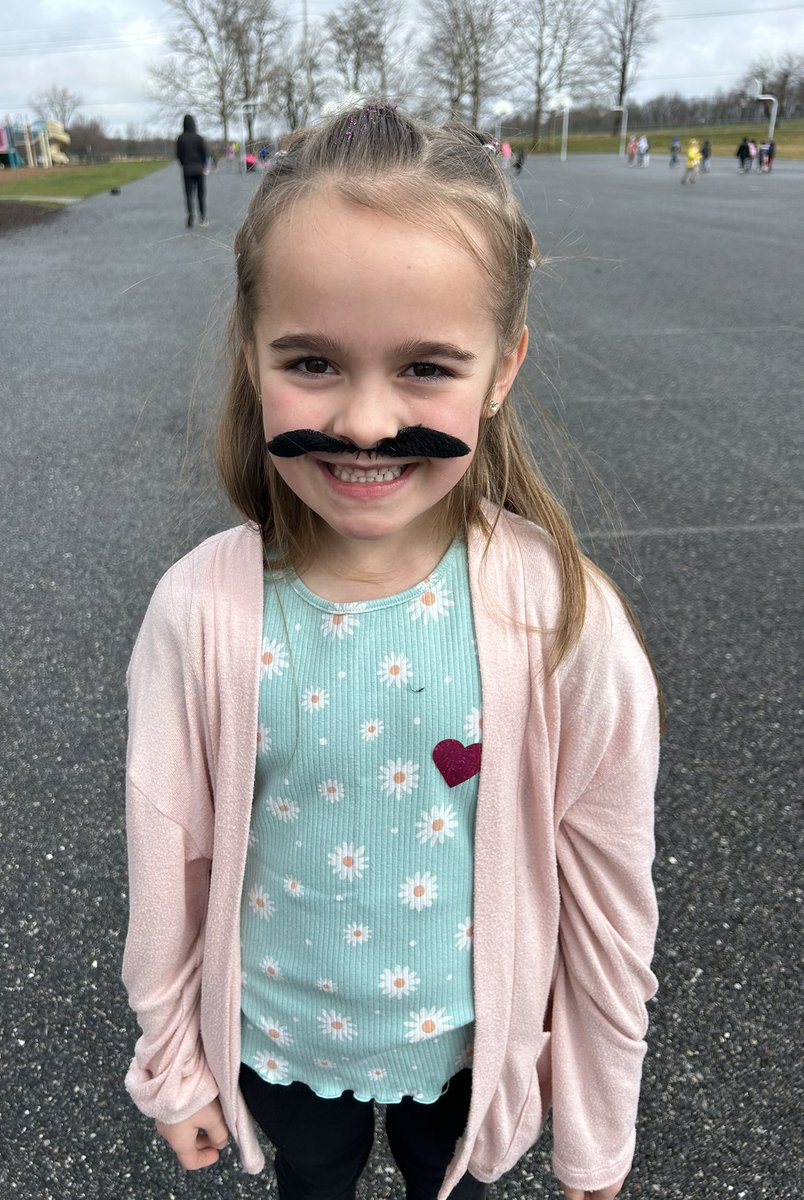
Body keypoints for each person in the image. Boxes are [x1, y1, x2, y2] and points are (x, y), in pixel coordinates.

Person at [122, 104, 661, 1200]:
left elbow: (610, 905)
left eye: (426, 368)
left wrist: (599, 1129)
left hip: (469, 1061)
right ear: (251, 351)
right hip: (278, 1049)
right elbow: (166, 865)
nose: (367, 423)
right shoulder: (200, 613)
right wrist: (173, 1065)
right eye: (313, 361)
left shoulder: (560, 617)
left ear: (502, 367)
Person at [176, 113, 209, 227]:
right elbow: (205, 153)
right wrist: (204, 164)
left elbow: (178, 154)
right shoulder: (198, 138)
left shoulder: (181, 138)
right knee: (201, 194)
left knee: (189, 193)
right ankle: (203, 218)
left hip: (187, 169)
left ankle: (190, 213)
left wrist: (184, 163)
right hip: (199, 168)